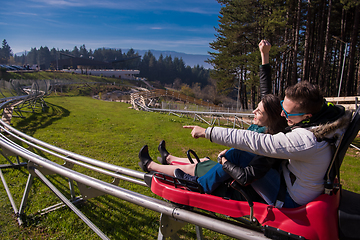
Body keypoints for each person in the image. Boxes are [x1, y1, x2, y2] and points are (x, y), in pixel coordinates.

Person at [139, 40, 289, 205]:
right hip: (238, 169)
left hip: (241, 178)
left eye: (259, 111)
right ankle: (168, 158)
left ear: (271, 116)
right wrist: (264, 56)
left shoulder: (268, 139)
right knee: (203, 162)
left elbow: (247, 169)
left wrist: (226, 158)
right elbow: (266, 93)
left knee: (194, 168)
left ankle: (151, 165)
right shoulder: (267, 122)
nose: (254, 112)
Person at [183, 80, 351, 207]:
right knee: (245, 156)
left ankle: (199, 186)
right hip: (294, 182)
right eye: (281, 108)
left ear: (306, 116)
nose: (282, 115)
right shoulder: (323, 117)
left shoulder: (306, 140)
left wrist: (207, 132)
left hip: (289, 198)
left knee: (236, 154)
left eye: (286, 112)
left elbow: (256, 141)